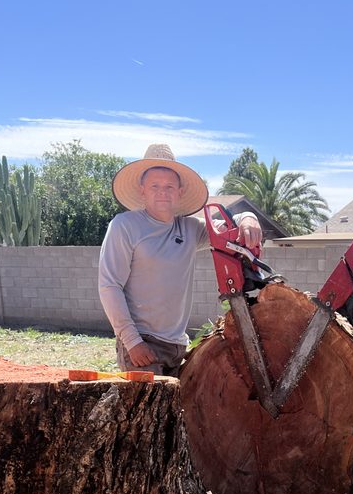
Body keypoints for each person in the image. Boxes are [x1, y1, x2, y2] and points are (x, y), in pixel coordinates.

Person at [99, 144, 262, 376]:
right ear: (142, 189)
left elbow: (228, 228)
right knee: (148, 411)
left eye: (169, 186)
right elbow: (109, 285)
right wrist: (132, 341)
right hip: (143, 343)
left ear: (180, 191)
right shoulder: (124, 226)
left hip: (178, 345)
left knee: (180, 411)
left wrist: (248, 217)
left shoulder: (190, 228)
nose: (162, 192)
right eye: (155, 185)